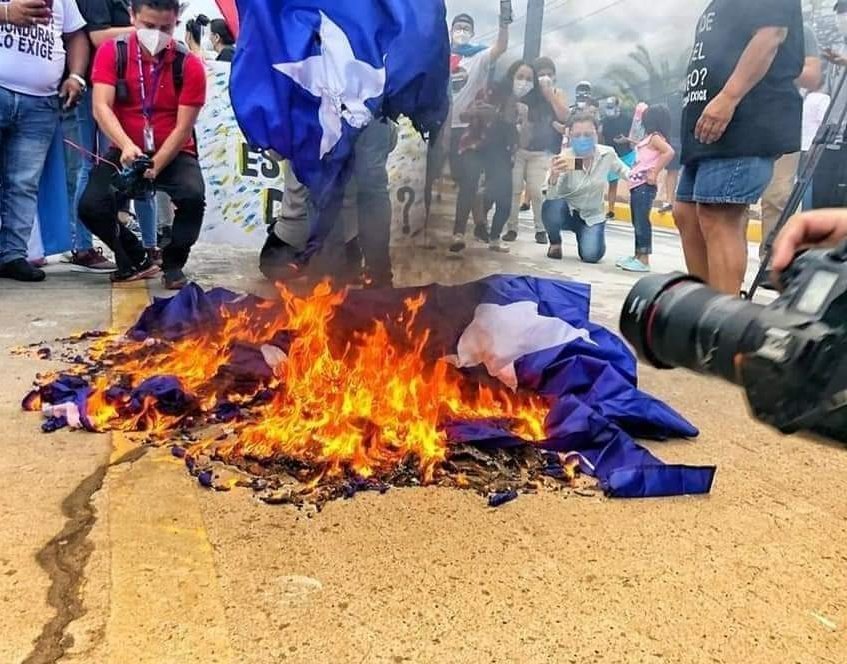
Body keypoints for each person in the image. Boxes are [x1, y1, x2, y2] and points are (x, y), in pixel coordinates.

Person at [673, 0, 804, 296]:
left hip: (745, 115)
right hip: (706, 122)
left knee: (718, 213)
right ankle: (699, 313)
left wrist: (729, 96)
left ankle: (722, 329)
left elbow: (771, 34)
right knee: (687, 213)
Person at [79, 0, 206, 288]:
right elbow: (101, 106)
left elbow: (184, 126)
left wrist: (156, 165)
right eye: (149, 26)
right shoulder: (113, 52)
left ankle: (173, 263)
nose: (157, 34)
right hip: (125, 150)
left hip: (174, 151)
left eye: (166, 28)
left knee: (192, 196)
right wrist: (124, 145)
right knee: (91, 206)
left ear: (176, 22)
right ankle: (136, 258)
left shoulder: (189, 65)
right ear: (133, 17)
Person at [67, 0, 163, 272]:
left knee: (141, 163)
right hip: (100, 89)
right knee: (94, 166)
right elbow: (97, 37)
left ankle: (149, 243)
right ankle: (83, 247)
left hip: (133, 88)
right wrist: (147, 30)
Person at [0, 0, 88, 282]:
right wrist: (5, 13)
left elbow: (76, 36)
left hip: (41, 103)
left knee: (23, 183)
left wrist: (75, 76)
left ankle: (12, 255)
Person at [443, 8, 510, 244]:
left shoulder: (479, 57)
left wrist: (504, 20)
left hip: (467, 129)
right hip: (439, 128)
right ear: (450, 31)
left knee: (469, 178)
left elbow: (500, 47)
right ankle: (479, 223)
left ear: (472, 32)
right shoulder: (439, 55)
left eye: (466, 28)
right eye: (458, 27)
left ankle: (458, 233)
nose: (461, 31)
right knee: (444, 178)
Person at [758, 23, 823, 265]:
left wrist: (768, 63)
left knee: (777, 196)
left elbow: (812, 76)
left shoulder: (802, 31)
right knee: (730, 203)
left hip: (782, 123)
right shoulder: (740, 19)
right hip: (740, 118)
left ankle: (769, 262)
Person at [450, 60, 527, 256]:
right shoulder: (491, 92)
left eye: (528, 79)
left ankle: (494, 238)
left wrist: (522, 121)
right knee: (469, 183)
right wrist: (481, 113)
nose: (524, 82)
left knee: (505, 197)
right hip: (476, 145)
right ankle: (458, 235)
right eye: (520, 77)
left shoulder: (525, 106)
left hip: (500, 152)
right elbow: (465, 116)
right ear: (511, 76)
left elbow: (522, 139)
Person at [542, 112, 631, 264]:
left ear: (597, 133)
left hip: (592, 216)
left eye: (588, 134)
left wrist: (640, 177)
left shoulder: (606, 154)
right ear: (570, 135)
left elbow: (624, 171)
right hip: (568, 211)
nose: (582, 139)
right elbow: (551, 196)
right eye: (577, 135)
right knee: (551, 207)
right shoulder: (566, 158)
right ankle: (555, 242)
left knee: (591, 256)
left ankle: (585, 236)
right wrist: (554, 177)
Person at [502, 56, 568, 245]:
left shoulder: (555, 94)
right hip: (518, 150)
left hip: (541, 152)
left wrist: (551, 96)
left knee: (537, 191)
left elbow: (564, 116)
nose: (545, 78)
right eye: (541, 75)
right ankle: (511, 228)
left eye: (549, 75)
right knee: (514, 190)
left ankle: (541, 229)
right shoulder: (524, 92)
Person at [616, 105, 676, 273]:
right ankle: (637, 255)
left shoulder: (656, 137)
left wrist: (654, 172)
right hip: (637, 186)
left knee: (642, 222)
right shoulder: (649, 138)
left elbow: (669, 152)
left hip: (644, 186)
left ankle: (643, 258)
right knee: (637, 221)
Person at [812, 1, 847, 209]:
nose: (842, 19)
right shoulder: (838, 47)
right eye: (840, 15)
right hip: (834, 131)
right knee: (826, 196)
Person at [599, 96, 635, 221]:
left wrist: (626, 140)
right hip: (612, 154)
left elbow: (634, 134)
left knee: (633, 181)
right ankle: (611, 210)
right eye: (607, 107)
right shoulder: (604, 121)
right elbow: (601, 138)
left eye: (611, 107)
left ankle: (635, 208)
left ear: (617, 107)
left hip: (627, 154)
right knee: (612, 183)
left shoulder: (627, 119)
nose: (609, 110)